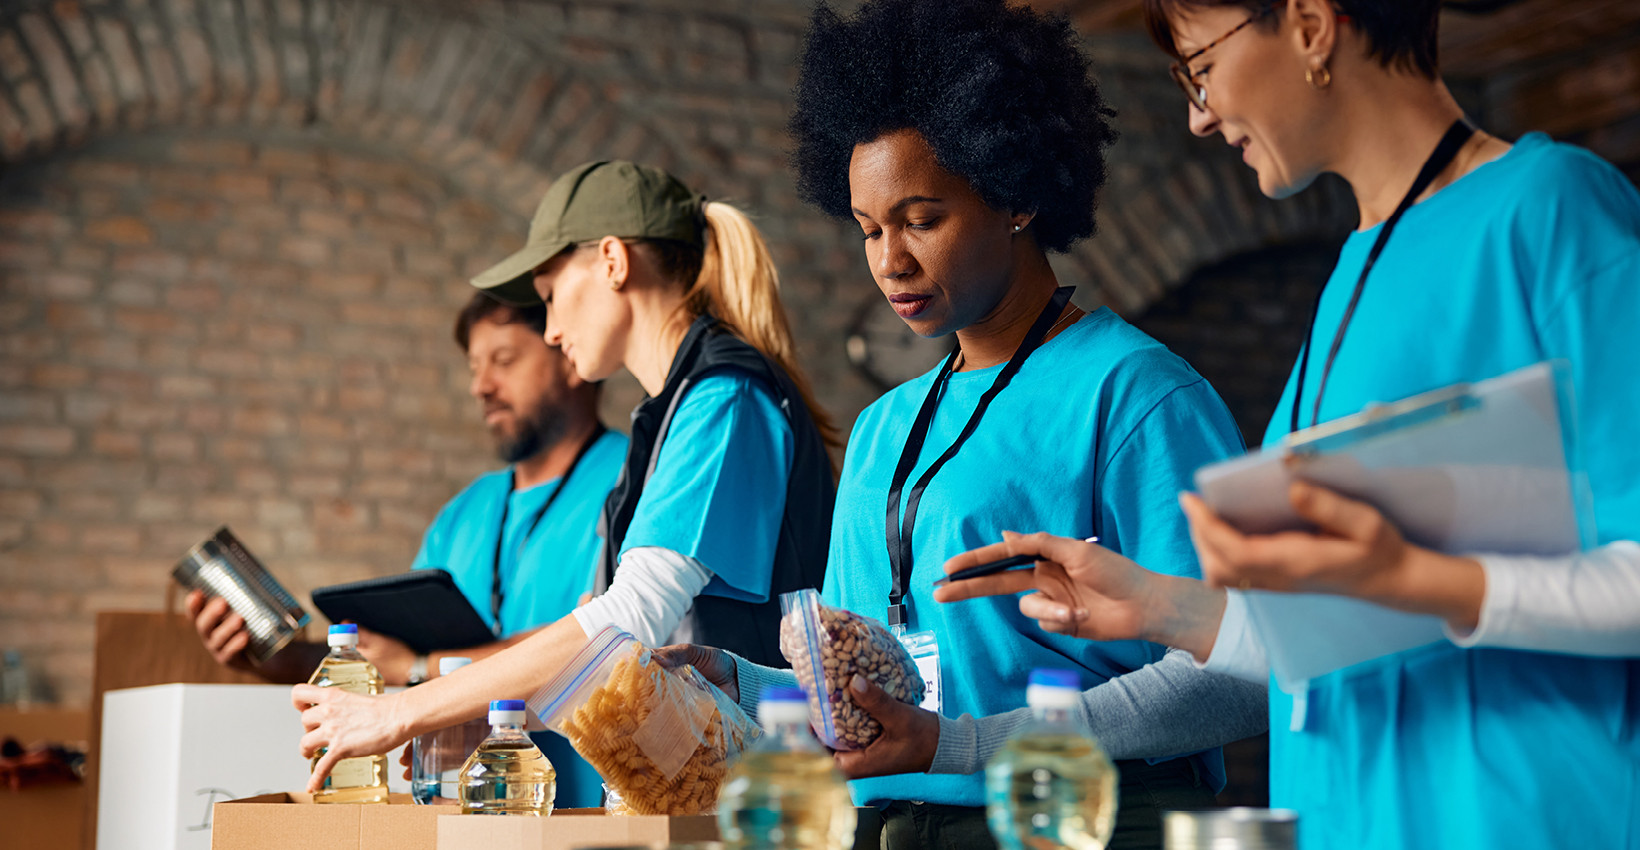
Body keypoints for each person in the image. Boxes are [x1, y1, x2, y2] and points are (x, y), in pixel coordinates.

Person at [937, 1, 1640, 848]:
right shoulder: (1350, 279)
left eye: (1200, 65)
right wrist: (1158, 606)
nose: (1198, 114)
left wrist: (1419, 579)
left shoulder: (1550, 207)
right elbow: (1324, 634)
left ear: (1309, 25)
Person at [664, 2, 1268, 848]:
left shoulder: (1136, 394)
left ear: (1016, 193)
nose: (889, 261)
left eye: (921, 219)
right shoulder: (883, 429)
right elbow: (861, 700)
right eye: (869, 229)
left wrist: (968, 746)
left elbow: (1240, 674)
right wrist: (730, 679)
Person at [292, 160, 841, 794]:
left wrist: (401, 710)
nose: (552, 328)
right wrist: (488, 717)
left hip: (769, 805)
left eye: (551, 295)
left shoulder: (724, 399)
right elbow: (623, 664)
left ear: (612, 261)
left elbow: (627, 621)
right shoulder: (665, 418)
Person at [186, 291, 626, 805]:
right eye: (475, 367)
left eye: (504, 361)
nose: (481, 386)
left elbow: (603, 641)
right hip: (461, 812)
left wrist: (420, 668)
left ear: (569, 355)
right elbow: (380, 660)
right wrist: (260, 657)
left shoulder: (631, 483)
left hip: (585, 811)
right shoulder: (465, 511)